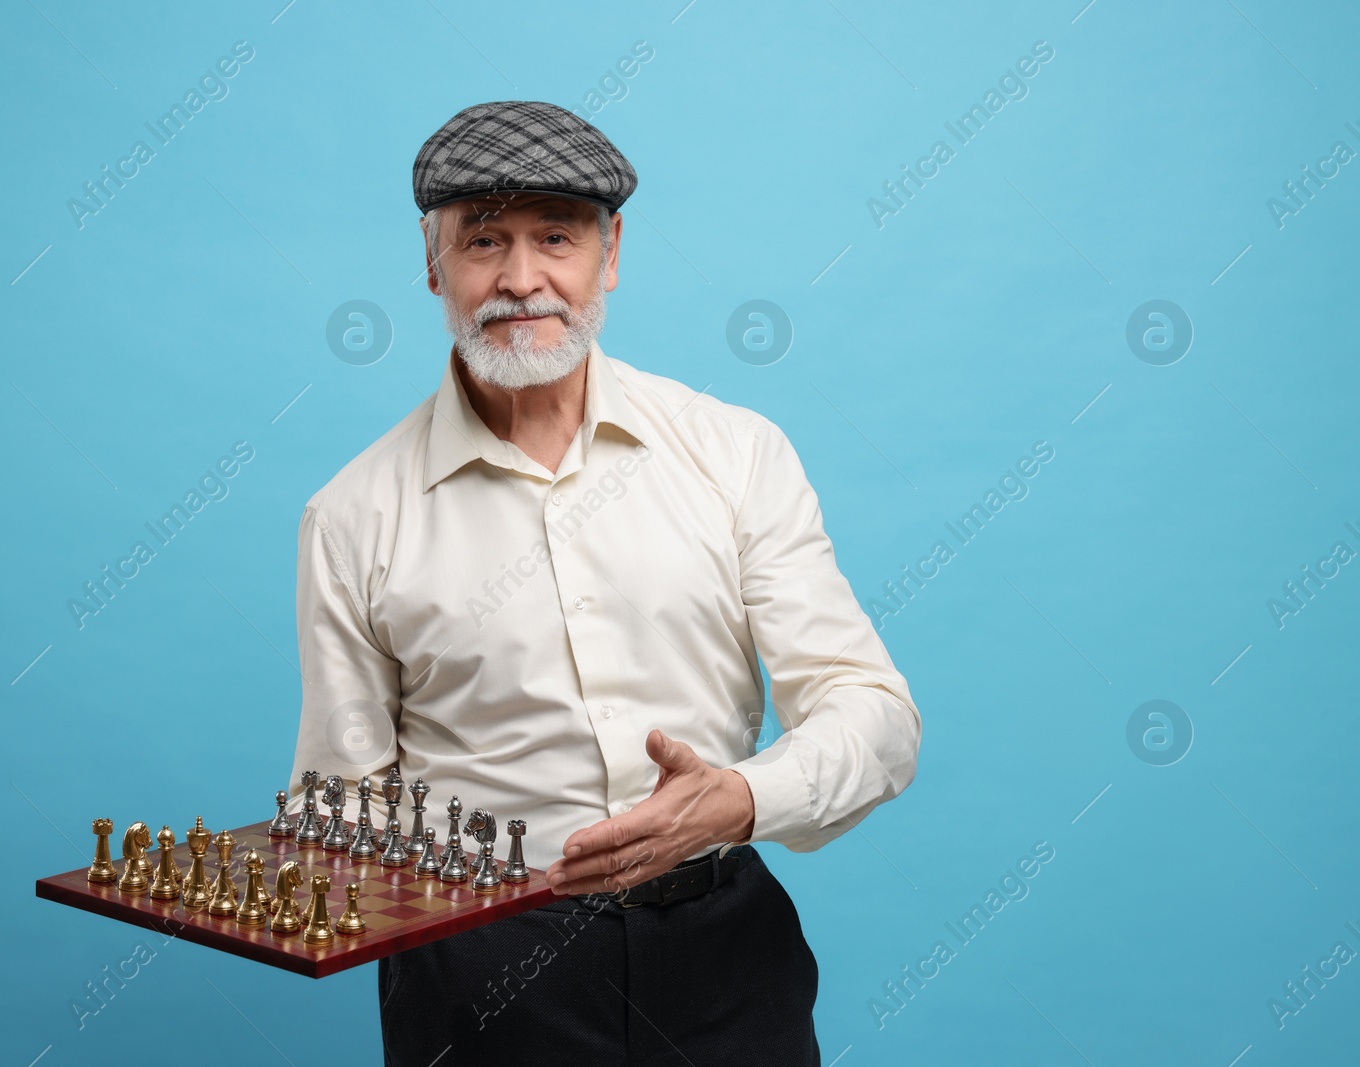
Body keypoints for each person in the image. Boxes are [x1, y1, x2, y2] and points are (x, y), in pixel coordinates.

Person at [290, 100, 921, 1065]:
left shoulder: (737, 454)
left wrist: (740, 800)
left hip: (727, 957)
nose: (521, 278)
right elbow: (345, 804)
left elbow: (873, 713)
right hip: (480, 977)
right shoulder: (352, 514)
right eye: (483, 241)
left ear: (611, 252)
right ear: (432, 266)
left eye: (555, 235)